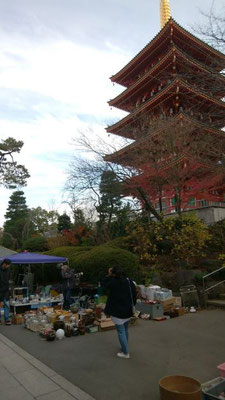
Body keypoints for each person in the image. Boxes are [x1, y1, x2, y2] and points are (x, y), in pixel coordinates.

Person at [102, 266, 136, 359]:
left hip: (117, 312)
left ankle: (125, 353)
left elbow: (104, 285)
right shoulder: (129, 281)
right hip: (128, 310)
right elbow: (134, 294)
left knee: (121, 332)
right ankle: (124, 346)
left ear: (113, 273)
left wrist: (108, 275)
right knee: (125, 330)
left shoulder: (113, 282)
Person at [0, 259, 12, 325]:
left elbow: (9, 278)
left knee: (7, 305)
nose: (9, 267)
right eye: (8, 265)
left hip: (6, 290)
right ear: (4, 264)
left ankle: (7, 319)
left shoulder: (8, 270)